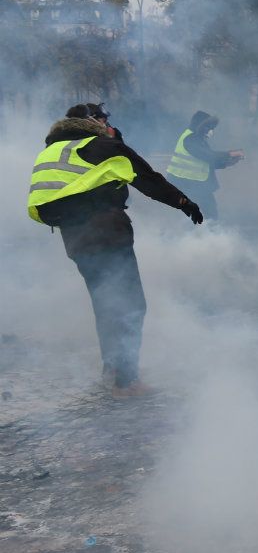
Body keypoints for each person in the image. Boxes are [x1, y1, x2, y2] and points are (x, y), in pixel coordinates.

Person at [28, 106, 204, 396]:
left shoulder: (53, 148)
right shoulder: (101, 146)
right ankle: (127, 381)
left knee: (105, 303)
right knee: (129, 304)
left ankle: (112, 371)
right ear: (91, 122)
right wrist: (184, 203)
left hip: (74, 238)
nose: (108, 123)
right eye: (103, 119)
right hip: (106, 231)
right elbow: (148, 178)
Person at [165, 111, 243, 222]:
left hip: (195, 182)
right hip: (186, 182)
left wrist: (226, 163)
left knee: (206, 212)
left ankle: (207, 233)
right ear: (200, 125)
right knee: (203, 212)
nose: (210, 130)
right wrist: (230, 154)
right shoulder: (190, 139)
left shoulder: (196, 138)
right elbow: (208, 155)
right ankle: (208, 234)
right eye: (208, 127)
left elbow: (207, 160)